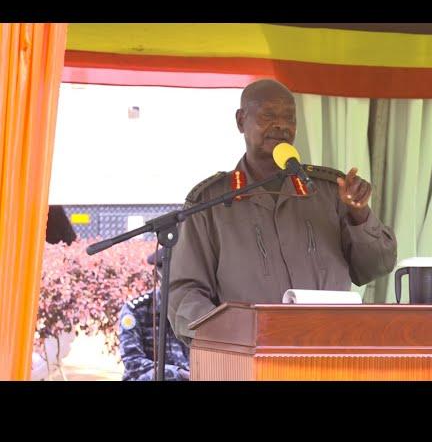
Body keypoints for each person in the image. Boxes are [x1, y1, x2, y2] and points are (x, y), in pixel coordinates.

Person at [168, 79, 397, 344]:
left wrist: (360, 214)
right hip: (251, 355)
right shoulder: (210, 202)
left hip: (330, 349)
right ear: (241, 121)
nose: (281, 125)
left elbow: (376, 267)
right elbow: (185, 292)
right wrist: (227, 335)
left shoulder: (329, 190)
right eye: (268, 115)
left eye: (289, 117)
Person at [118, 251, 190, 381]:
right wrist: (179, 373)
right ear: (156, 275)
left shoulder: (194, 310)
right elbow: (133, 363)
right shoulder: (136, 311)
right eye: (169, 277)